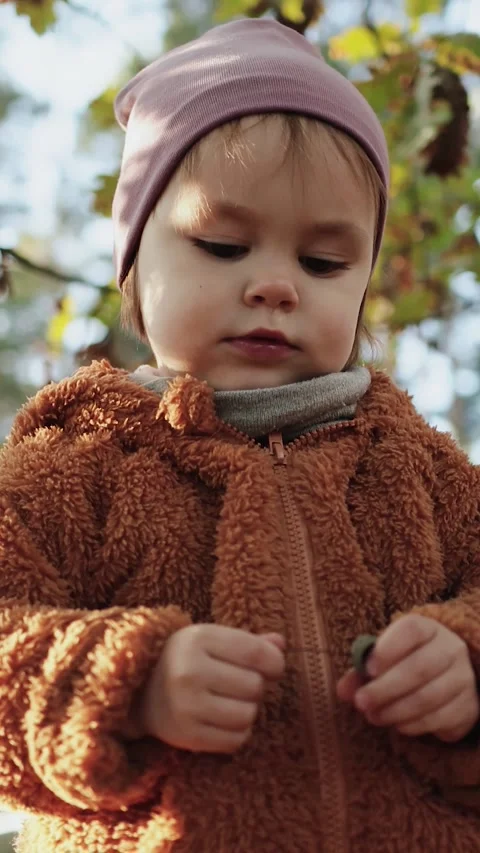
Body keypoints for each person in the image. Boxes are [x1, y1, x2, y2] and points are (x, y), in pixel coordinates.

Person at [1, 16, 480, 853]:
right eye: (222, 245)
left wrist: (468, 667)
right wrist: (130, 685)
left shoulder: (428, 474)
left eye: (322, 264)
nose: (274, 285)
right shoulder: (70, 470)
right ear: (135, 270)